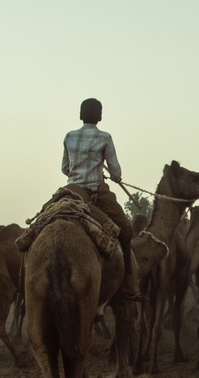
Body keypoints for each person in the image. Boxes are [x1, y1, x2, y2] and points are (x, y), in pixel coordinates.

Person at [62, 97, 146, 301]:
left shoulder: (69, 136)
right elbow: (116, 172)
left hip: (70, 191)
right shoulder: (105, 138)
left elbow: (65, 168)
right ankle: (127, 282)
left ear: (80, 115)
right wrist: (112, 175)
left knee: (39, 221)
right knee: (125, 230)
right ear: (100, 116)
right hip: (95, 192)